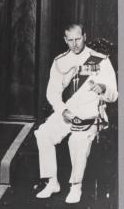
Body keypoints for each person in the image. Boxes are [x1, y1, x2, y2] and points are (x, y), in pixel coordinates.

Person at [34, 24, 118, 203]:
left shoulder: (100, 60)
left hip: (90, 112)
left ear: (85, 37)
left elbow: (114, 95)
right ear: (65, 40)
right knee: (43, 134)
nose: (74, 44)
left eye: (78, 39)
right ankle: (52, 182)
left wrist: (103, 88)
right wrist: (62, 110)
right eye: (70, 40)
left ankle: (75, 186)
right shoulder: (60, 61)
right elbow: (52, 93)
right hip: (68, 111)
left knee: (77, 140)